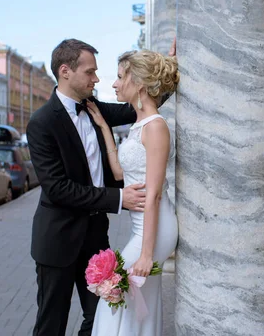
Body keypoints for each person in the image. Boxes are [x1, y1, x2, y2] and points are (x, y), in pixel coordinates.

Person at [27, 39, 149, 336]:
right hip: (57, 240)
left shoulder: (94, 108)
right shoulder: (41, 123)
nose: (97, 79)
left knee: (101, 319)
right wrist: (119, 198)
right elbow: (57, 189)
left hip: (96, 237)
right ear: (66, 71)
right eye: (91, 72)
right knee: (51, 324)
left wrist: (166, 68)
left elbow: (143, 105)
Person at [88, 49, 180, 336]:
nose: (113, 84)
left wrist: (145, 254)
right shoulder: (139, 124)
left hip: (153, 232)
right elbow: (119, 173)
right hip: (141, 229)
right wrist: (104, 127)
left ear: (139, 82)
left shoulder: (155, 127)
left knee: (114, 300)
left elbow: (152, 194)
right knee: (135, 305)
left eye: (119, 77)